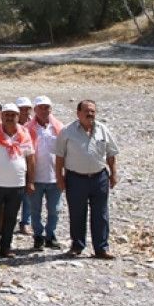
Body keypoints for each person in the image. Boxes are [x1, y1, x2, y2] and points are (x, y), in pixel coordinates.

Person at [55, 100, 119, 259]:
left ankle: (101, 248)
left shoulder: (102, 129)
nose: (90, 114)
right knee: (77, 213)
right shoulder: (67, 131)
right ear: (78, 113)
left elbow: (111, 153)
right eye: (86, 111)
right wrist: (59, 178)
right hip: (76, 178)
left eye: (93, 111)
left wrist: (114, 173)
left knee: (101, 214)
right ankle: (77, 246)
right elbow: (59, 157)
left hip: (99, 178)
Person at [0, 103, 35, 258]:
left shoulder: (24, 135)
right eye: (7, 115)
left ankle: (6, 247)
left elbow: (30, 159)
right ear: (2, 116)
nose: (10, 118)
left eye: (13, 115)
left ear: (18, 117)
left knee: (11, 217)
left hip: (17, 184)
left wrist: (30, 181)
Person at [26, 96, 64, 250]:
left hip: (55, 177)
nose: (44, 110)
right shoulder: (28, 128)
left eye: (46, 107)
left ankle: (51, 235)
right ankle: (38, 236)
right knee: (35, 210)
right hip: (36, 177)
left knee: (54, 209)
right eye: (40, 107)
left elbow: (65, 152)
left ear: (51, 109)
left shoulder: (59, 128)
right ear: (35, 110)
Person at [15, 97, 35, 235]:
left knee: (28, 194)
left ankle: (26, 222)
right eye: (21, 109)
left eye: (27, 108)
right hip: (15, 162)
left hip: (30, 161)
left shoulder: (34, 124)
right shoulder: (9, 123)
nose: (25, 111)